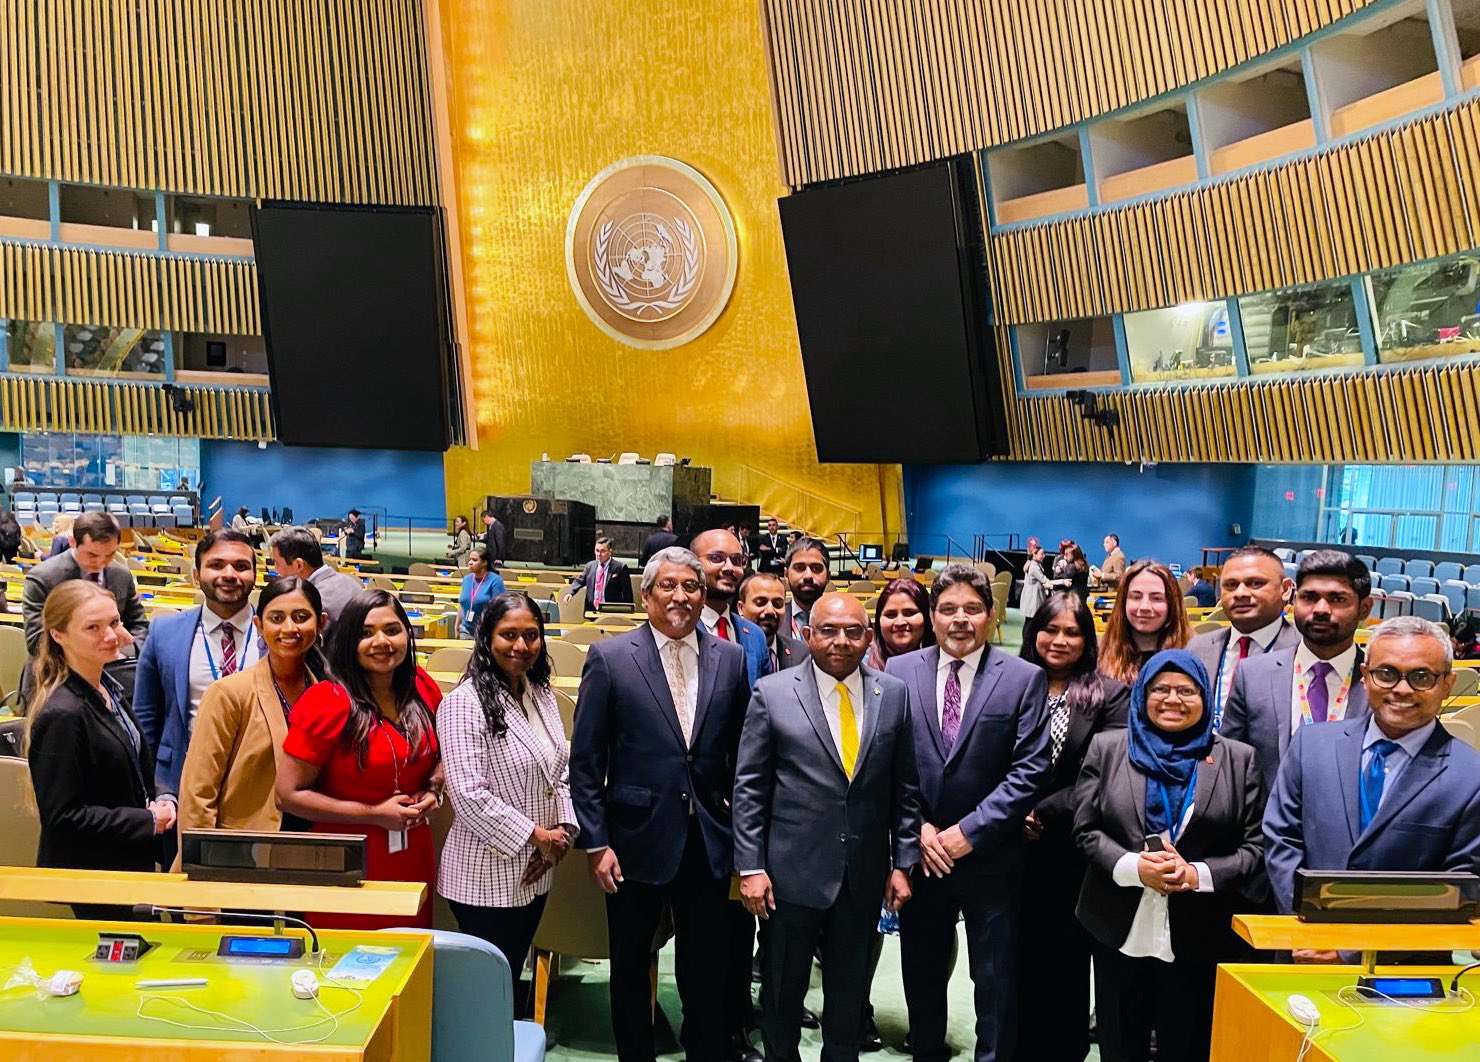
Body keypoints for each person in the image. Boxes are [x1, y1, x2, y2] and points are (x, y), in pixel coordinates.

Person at [569, 546, 753, 1062]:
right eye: (667, 586)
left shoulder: (732, 660)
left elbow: (742, 757)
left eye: (690, 587)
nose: (680, 597)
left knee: (706, 968)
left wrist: (743, 836)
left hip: (709, 841)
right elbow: (586, 761)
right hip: (632, 842)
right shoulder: (610, 658)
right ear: (646, 595)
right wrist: (597, 842)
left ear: (703, 594)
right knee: (630, 966)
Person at [734, 592, 922, 1062]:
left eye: (853, 631)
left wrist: (904, 863)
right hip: (788, 878)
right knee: (781, 995)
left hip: (862, 877)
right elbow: (749, 789)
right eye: (828, 630)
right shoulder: (772, 693)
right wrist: (751, 866)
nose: (841, 641)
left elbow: (905, 788)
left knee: (847, 998)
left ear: (868, 637)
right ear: (807, 633)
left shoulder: (892, 694)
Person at [884, 563, 1051, 1062]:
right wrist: (922, 830)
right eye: (949, 609)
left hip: (992, 859)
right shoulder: (899, 672)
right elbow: (889, 763)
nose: (960, 619)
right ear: (932, 617)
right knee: (923, 971)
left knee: (995, 978)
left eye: (972, 609)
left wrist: (966, 834)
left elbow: (1029, 771)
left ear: (992, 615)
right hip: (922, 856)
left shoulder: (1023, 678)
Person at [1073, 650, 1265, 1062]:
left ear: (1206, 697)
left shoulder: (1237, 758)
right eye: (1160, 688)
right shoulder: (1108, 748)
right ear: (1142, 694)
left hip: (1200, 930)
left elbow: (1255, 849)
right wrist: (1133, 867)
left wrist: (1197, 874)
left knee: (1188, 1044)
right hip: (1118, 924)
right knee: (1120, 1043)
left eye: (1186, 690)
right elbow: (1086, 830)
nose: (1172, 699)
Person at [1264, 616, 1480, 937]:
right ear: (1365, 676)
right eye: (1386, 673)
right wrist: (1310, 927)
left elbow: (1460, 885)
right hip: (1302, 946)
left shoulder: (1471, 776)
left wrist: (1349, 948)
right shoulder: (1311, 745)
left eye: (1422, 677)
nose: (1402, 689)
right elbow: (1282, 841)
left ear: (1447, 683)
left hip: (1402, 967)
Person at [437, 591, 577, 1014]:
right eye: (509, 634)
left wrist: (565, 833)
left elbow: (562, 770)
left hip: (539, 867)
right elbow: (467, 794)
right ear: (486, 637)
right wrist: (539, 837)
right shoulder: (463, 703)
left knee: (510, 973)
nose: (521, 646)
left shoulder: (541, 693)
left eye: (531, 635)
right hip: (484, 874)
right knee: (487, 988)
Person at [276, 589, 444, 930]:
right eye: (366, 633)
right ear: (349, 640)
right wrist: (375, 814)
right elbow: (288, 795)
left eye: (392, 630)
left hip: (413, 850)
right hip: (348, 857)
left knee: (410, 953)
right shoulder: (327, 701)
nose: (381, 642)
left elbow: (443, 752)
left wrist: (435, 786)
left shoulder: (422, 687)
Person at [1012, 591, 1130, 1062]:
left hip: (1073, 848)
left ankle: (1063, 1048)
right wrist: (1013, 811)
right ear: (1034, 631)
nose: (1059, 640)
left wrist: (1044, 811)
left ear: (1087, 640)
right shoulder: (1006, 682)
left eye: (1072, 632)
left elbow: (1105, 775)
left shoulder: (1109, 695)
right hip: (1009, 844)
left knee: (1066, 959)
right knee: (1013, 956)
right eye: (1051, 629)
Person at [26, 581, 174, 918]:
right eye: (93, 627)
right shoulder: (62, 713)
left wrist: (163, 795)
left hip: (126, 863)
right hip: (92, 875)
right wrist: (148, 819)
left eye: (114, 622)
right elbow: (63, 817)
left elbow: (134, 767)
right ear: (59, 635)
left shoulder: (110, 687)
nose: (111, 635)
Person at [175, 576, 328, 847]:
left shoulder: (329, 694)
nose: (290, 628)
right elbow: (198, 793)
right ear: (258, 626)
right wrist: (200, 862)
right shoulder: (229, 693)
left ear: (321, 623)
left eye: (302, 617)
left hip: (313, 843)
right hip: (242, 848)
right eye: (277, 618)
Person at [135, 530, 262, 820]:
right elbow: (146, 717)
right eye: (216, 565)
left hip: (259, 791)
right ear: (196, 574)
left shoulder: (275, 635)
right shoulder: (164, 632)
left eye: (241, 566)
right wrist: (154, 787)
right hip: (179, 788)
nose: (229, 574)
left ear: (255, 575)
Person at [1221, 550, 1373, 792]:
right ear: (1294, 600)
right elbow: (1230, 762)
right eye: (1309, 597)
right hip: (1264, 825)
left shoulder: (1381, 680)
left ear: (1364, 608)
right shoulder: (1252, 675)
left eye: (1337, 599)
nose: (1321, 609)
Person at [22, 511, 148, 691]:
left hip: (114, 677)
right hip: (55, 680)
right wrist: (97, 645)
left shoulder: (121, 574)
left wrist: (124, 649)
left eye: (110, 555)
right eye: (92, 555)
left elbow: (140, 625)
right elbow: (37, 641)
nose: (102, 562)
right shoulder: (43, 577)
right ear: (73, 542)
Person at [1187, 545, 1298, 726]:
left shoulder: (1304, 651)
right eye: (1230, 585)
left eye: (1255, 583)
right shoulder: (1197, 649)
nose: (1240, 593)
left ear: (1285, 589)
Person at [694, 528, 771, 687]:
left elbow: (762, 705)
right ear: (693, 564)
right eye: (716, 558)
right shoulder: (679, 630)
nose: (729, 567)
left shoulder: (755, 635)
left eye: (737, 560)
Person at [1098, 560, 1191, 685]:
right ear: (1123, 602)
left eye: (1157, 598)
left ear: (1173, 605)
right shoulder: (1098, 656)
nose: (1145, 607)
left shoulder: (1194, 654)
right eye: (1136, 597)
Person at [270, 524, 363, 623]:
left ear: (299, 565)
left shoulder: (309, 603)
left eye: (277, 563)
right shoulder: (353, 584)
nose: (276, 570)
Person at [738, 571, 806, 672]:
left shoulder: (801, 653)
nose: (770, 611)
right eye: (760, 602)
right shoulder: (729, 652)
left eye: (777, 604)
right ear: (741, 608)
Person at [864, 577, 935, 670]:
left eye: (910, 613)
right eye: (890, 615)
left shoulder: (944, 664)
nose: (900, 622)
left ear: (927, 617)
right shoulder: (861, 665)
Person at [563, 536, 633, 612]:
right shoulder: (590, 566)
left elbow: (627, 594)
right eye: (597, 550)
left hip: (612, 611)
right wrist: (571, 593)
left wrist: (628, 611)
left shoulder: (620, 568)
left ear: (610, 552)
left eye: (602, 551)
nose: (599, 554)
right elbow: (579, 581)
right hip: (591, 611)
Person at [782, 535, 830, 640]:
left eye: (816, 568)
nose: (808, 576)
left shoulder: (844, 621)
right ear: (786, 575)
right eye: (799, 568)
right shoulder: (773, 621)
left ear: (828, 576)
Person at [459, 546, 506, 638]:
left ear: (484, 562)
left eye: (474, 560)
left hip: (486, 631)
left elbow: (500, 609)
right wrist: (457, 625)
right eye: (470, 560)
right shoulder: (466, 579)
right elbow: (462, 604)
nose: (470, 563)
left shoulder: (495, 581)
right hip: (465, 630)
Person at [1018, 545, 1051, 621]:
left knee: (1029, 621)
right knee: (1030, 621)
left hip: (1032, 597)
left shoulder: (1036, 565)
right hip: (1032, 599)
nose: (1044, 556)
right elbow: (1044, 580)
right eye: (1042, 554)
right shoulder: (1034, 567)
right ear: (1034, 554)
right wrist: (1061, 582)